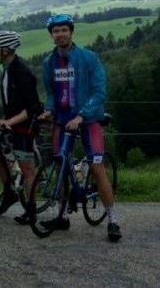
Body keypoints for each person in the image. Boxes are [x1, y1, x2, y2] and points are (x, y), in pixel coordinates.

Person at [39, 14, 121, 242]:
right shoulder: (49, 63)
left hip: (88, 120)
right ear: (51, 35)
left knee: (96, 168)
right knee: (60, 166)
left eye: (64, 30)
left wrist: (82, 115)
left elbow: (99, 92)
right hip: (62, 121)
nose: (60, 34)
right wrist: (48, 109)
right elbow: (51, 94)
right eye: (56, 31)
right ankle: (63, 216)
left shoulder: (88, 58)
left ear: (71, 32)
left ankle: (113, 220)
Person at [0, 30, 42, 224]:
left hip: (24, 129)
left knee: (27, 169)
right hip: (11, 126)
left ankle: (32, 211)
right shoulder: (8, 68)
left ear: (6, 49)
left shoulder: (21, 72)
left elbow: (33, 107)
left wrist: (8, 122)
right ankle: (9, 192)